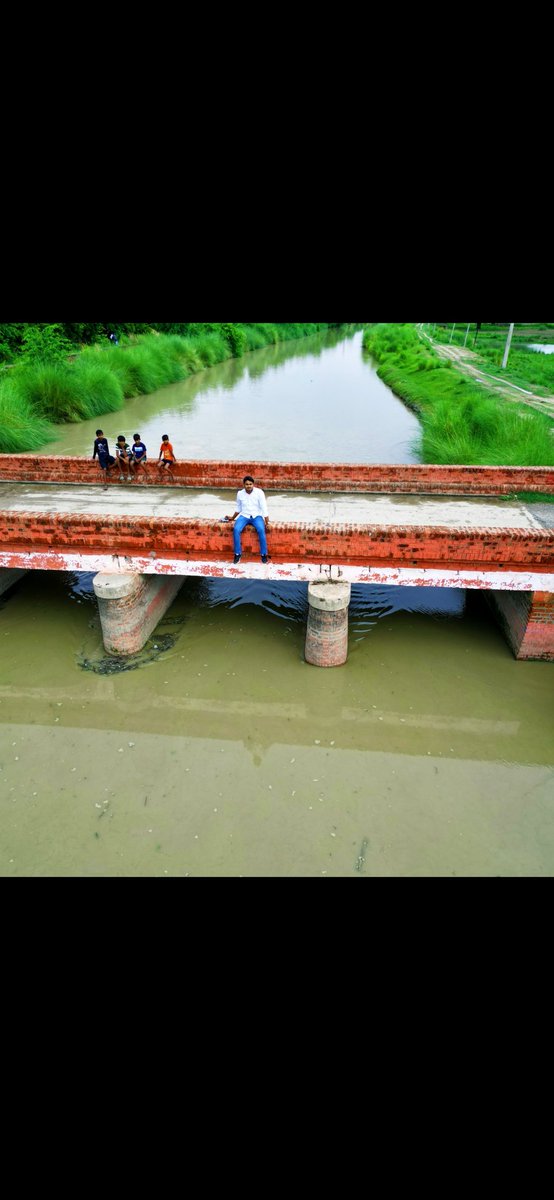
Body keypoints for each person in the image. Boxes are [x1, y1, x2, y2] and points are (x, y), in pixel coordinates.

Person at [226, 475, 270, 563]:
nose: (249, 486)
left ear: (253, 484)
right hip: (244, 516)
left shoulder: (259, 492)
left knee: (261, 530)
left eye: (250, 484)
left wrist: (267, 522)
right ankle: (237, 554)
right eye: (247, 484)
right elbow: (238, 508)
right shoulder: (240, 493)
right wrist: (232, 518)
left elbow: (264, 507)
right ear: (244, 485)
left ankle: (263, 554)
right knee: (236, 529)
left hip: (256, 516)